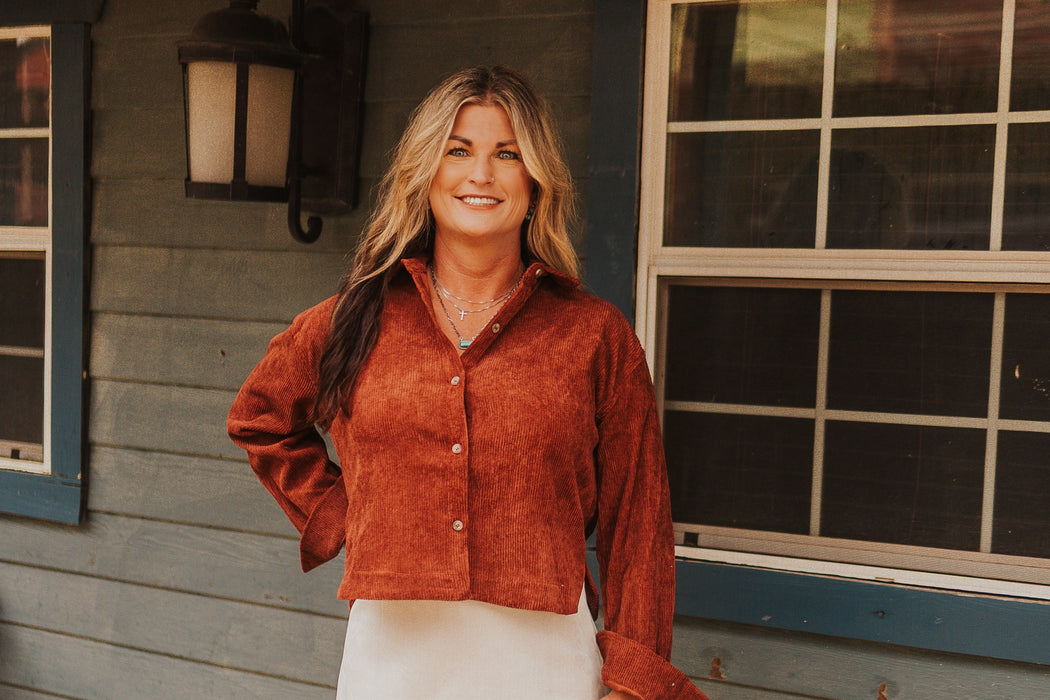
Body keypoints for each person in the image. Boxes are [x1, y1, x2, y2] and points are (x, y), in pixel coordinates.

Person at [227, 65, 705, 700]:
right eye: (459, 151)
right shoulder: (353, 318)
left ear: (535, 182)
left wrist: (633, 684)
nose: (481, 174)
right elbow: (260, 417)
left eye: (506, 154)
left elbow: (638, 524)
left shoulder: (593, 336)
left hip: (547, 669)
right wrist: (348, 513)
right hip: (391, 667)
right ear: (426, 174)